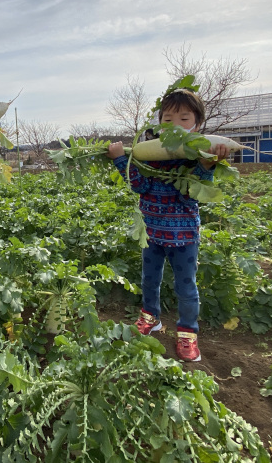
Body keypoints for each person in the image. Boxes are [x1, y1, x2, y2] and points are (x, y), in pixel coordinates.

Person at [106, 89, 229, 362]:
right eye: (168, 118)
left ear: (197, 125)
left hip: (183, 236)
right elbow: (140, 185)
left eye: (184, 119)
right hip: (152, 233)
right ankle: (151, 318)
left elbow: (195, 188)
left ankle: (187, 334)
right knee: (149, 280)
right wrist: (120, 159)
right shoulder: (148, 153)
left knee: (186, 288)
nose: (175, 124)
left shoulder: (196, 155)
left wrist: (207, 164)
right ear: (159, 122)